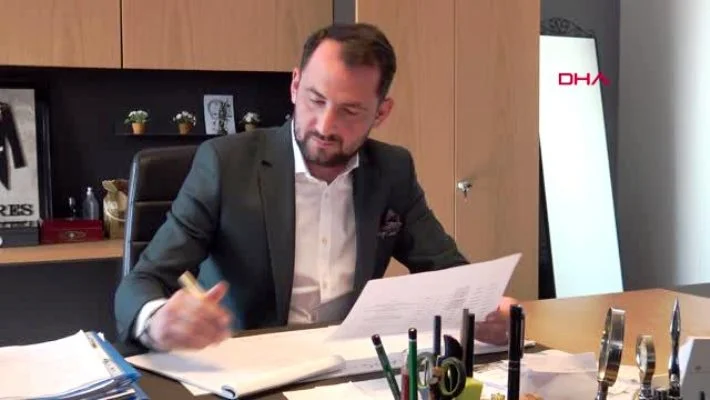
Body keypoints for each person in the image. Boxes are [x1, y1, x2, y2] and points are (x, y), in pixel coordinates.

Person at [114, 22, 515, 352]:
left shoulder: (392, 170)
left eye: (350, 110)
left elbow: (447, 270)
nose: (325, 126)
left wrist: (486, 309)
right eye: (315, 100)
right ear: (294, 85)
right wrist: (157, 320)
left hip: (346, 368)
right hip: (246, 367)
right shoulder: (225, 163)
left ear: (381, 112)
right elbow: (142, 281)